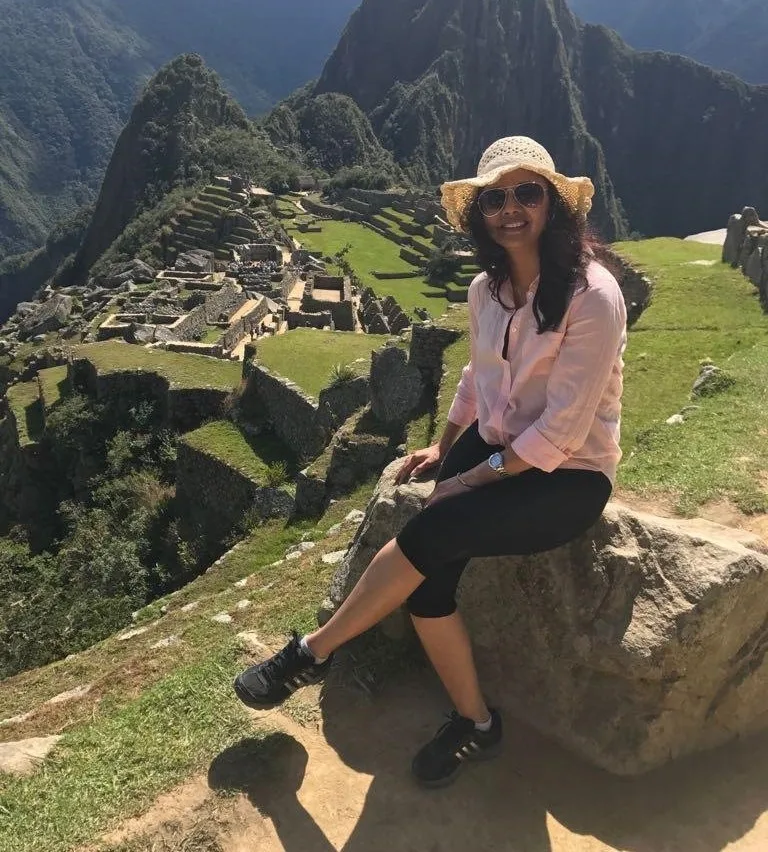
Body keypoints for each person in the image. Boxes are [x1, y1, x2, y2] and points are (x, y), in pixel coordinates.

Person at [233, 136, 627, 788]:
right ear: (479, 214)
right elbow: (479, 377)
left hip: (570, 475)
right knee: (429, 577)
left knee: (433, 529)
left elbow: (559, 433)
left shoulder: (594, 296)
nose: (510, 209)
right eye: (495, 197)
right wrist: (447, 446)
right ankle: (476, 722)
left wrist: (471, 479)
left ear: (554, 204)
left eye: (528, 192)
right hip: (500, 442)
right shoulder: (486, 289)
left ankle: (312, 653)